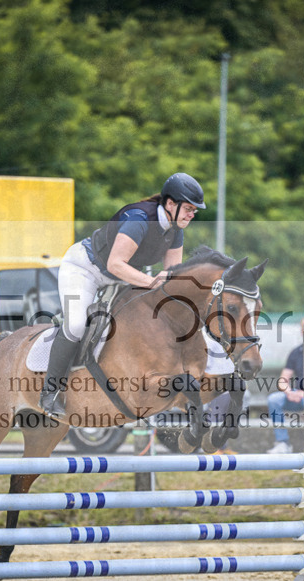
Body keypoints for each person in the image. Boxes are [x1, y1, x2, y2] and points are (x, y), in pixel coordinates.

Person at [40, 173, 206, 417]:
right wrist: (152, 281)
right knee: (76, 325)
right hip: (86, 268)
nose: (192, 215)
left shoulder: (175, 229)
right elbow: (116, 263)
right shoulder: (139, 219)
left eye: (194, 211)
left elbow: (171, 275)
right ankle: (50, 392)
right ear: (171, 204)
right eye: (189, 209)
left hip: (122, 276)